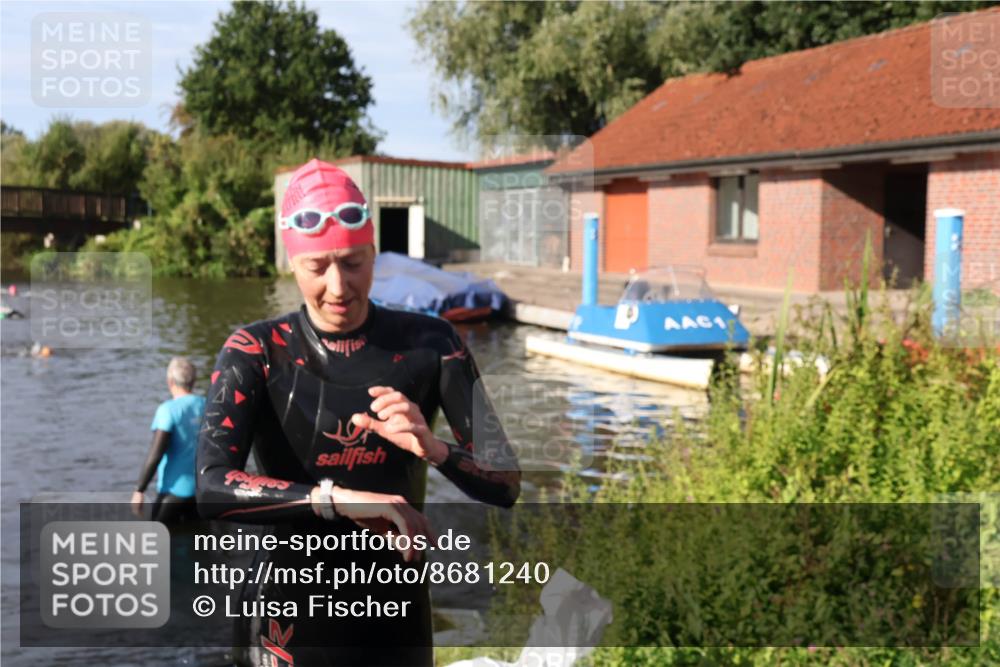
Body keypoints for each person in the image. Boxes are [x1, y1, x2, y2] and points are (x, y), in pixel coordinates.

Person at [196, 158, 521, 666]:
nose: (339, 286)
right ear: (291, 262)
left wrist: (435, 450)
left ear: (375, 253)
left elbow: (506, 484)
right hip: (287, 611)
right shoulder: (255, 351)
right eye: (317, 266)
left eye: (353, 263)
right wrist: (340, 499)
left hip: (395, 617)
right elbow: (212, 486)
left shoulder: (432, 344)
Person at [133, 356, 206, 523]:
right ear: (193, 380)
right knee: (198, 543)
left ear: (170, 381)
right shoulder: (206, 404)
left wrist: (139, 490)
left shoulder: (168, 410)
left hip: (174, 493)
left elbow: (155, 454)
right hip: (201, 493)